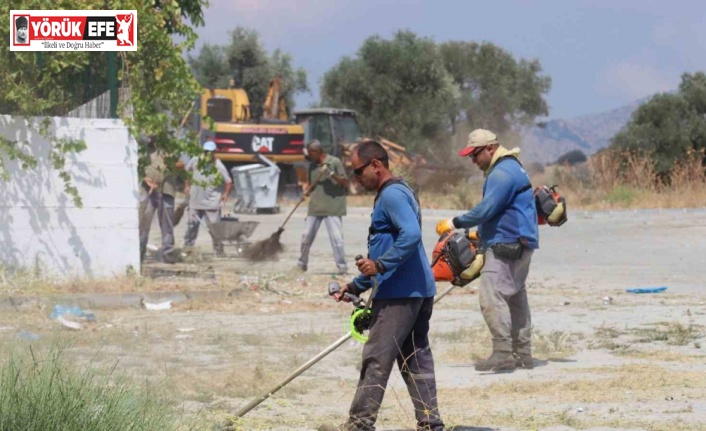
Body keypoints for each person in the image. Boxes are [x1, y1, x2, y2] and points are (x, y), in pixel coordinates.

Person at [319, 140, 444, 431]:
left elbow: (410, 236)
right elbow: (385, 249)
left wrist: (380, 266)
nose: (356, 178)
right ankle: (430, 423)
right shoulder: (399, 192)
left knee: (376, 358)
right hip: (417, 291)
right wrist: (355, 285)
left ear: (376, 165)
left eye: (358, 171)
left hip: (399, 295)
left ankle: (360, 424)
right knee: (415, 359)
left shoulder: (391, 196)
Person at [435, 128, 539, 372]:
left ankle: (503, 353)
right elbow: (503, 211)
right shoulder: (512, 167)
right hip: (521, 240)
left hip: (507, 243)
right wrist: (479, 233)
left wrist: (455, 223)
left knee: (491, 297)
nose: (473, 160)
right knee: (514, 296)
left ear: (490, 149)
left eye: (475, 154)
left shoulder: (501, 173)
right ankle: (522, 353)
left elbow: (486, 209)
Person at [297, 139, 349, 275]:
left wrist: (331, 174)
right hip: (315, 206)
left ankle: (342, 266)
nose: (309, 155)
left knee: (337, 239)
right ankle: (302, 263)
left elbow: (344, 182)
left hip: (333, 206)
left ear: (317, 151)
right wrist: (305, 192)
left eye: (310, 153)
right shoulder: (312, 166)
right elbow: (311, 183)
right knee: (306, 236)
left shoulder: (334, 162)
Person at [183, 141, 232, 255]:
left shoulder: (218, 165)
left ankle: (218, 251)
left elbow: (229, 182)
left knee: (215, 229)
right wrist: (187, 185)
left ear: (214, 153)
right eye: (206, 152)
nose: (208, 155)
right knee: (191, 226)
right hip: (195, 201)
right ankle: (187, 249)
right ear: (203, 152)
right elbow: (187, 172)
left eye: (211, 152)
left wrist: (225, 195)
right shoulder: (195, 160)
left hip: (212, 203)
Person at [139, 137, 181, 264]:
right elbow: (139, 167)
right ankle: (139, 252)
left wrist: (171, 164)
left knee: (167, 224)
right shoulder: (145, 149)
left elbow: (181, 164)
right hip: (148, 191)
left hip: (167, 190)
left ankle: (167, 253)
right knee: (144, 222)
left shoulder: (170, 149)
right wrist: (146, 179)